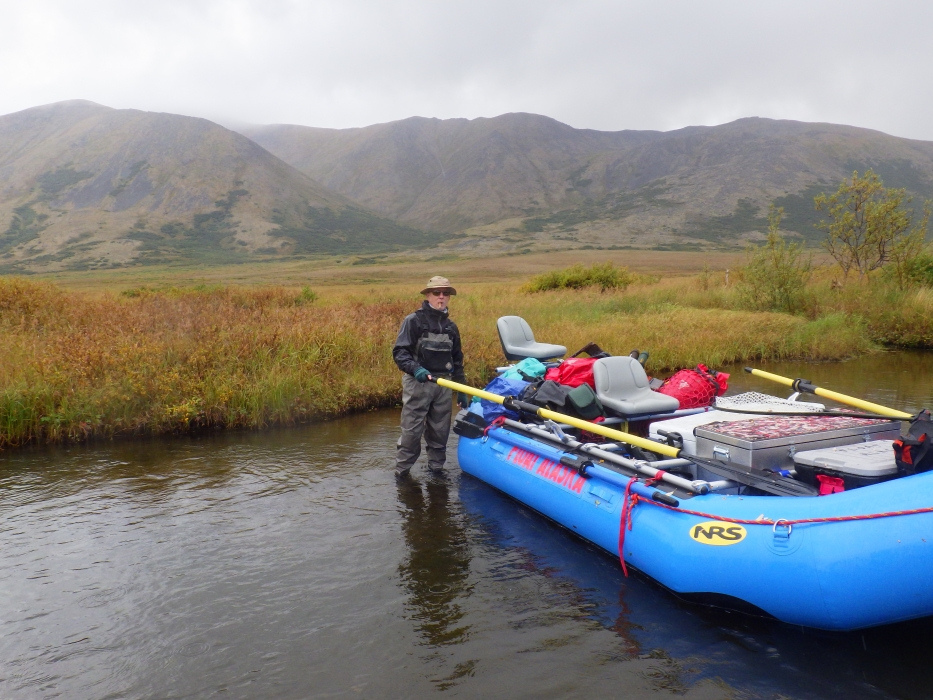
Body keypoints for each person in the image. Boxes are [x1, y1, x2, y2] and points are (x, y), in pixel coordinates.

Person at [392, 275, 468, 478]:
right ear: (427, 295)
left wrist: (461, 390)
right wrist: (415, 369)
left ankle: (436, 471)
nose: (441, 297)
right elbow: (400, 353)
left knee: (440, 432)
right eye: (437, 293)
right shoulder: (413, 321)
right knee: (411, 432)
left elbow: (458, 361)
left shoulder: (452, 327)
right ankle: (402, 472)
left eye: (446, 293)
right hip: (418, 384)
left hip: (443, 385)